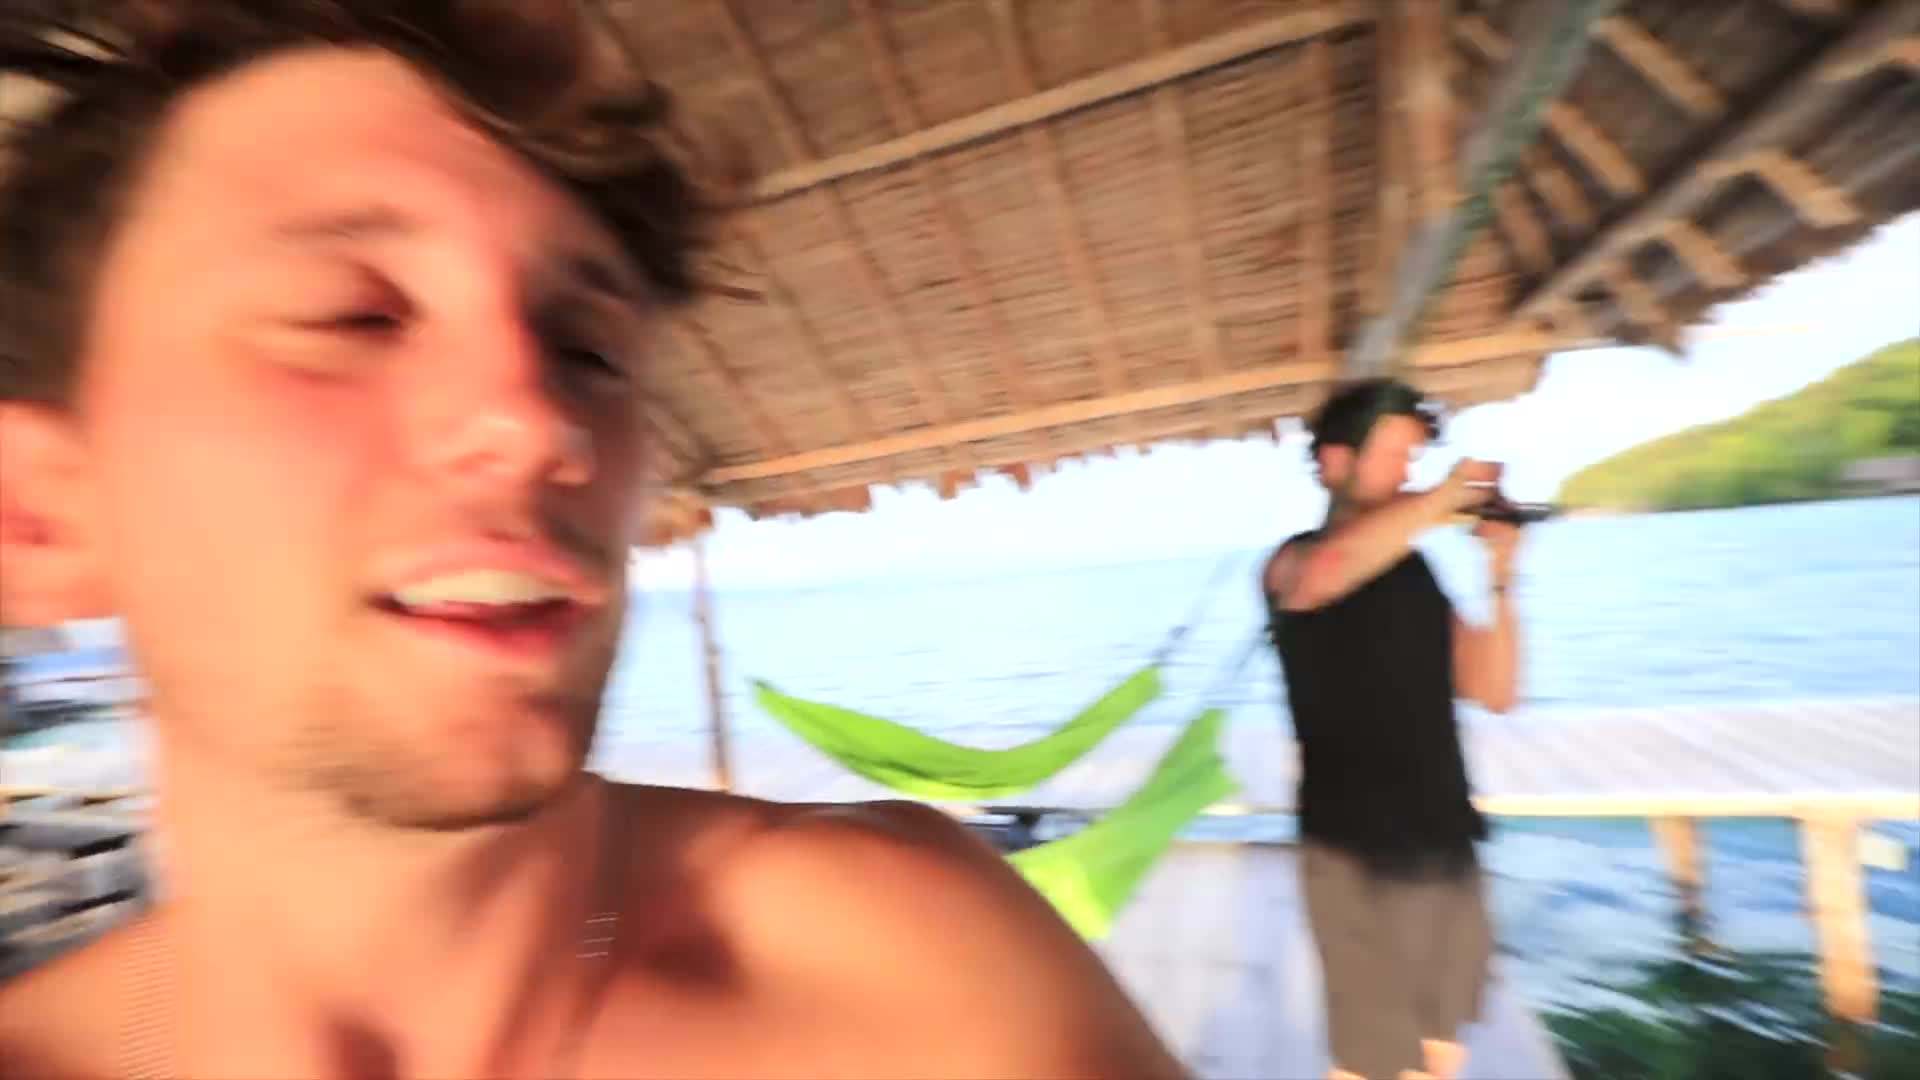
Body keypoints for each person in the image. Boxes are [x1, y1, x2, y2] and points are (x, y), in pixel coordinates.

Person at [0, 4, 1186, 1076]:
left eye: (590, 351)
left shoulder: (917, 990)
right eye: (352, 314)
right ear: (39, 517)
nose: (537, 419)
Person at [1261, 378, 1523, 1080]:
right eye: (1396, 456)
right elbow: (1324, 574)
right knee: (1370, 1063)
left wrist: (1501, 572)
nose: (1409, 473)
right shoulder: (1291, 562)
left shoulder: (1415, 571)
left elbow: (1495, 690)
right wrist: (1443, 499)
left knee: (1441, 1045)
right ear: (1332, 463)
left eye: (1415, 460)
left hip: (1446, 839)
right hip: (1355, 852)